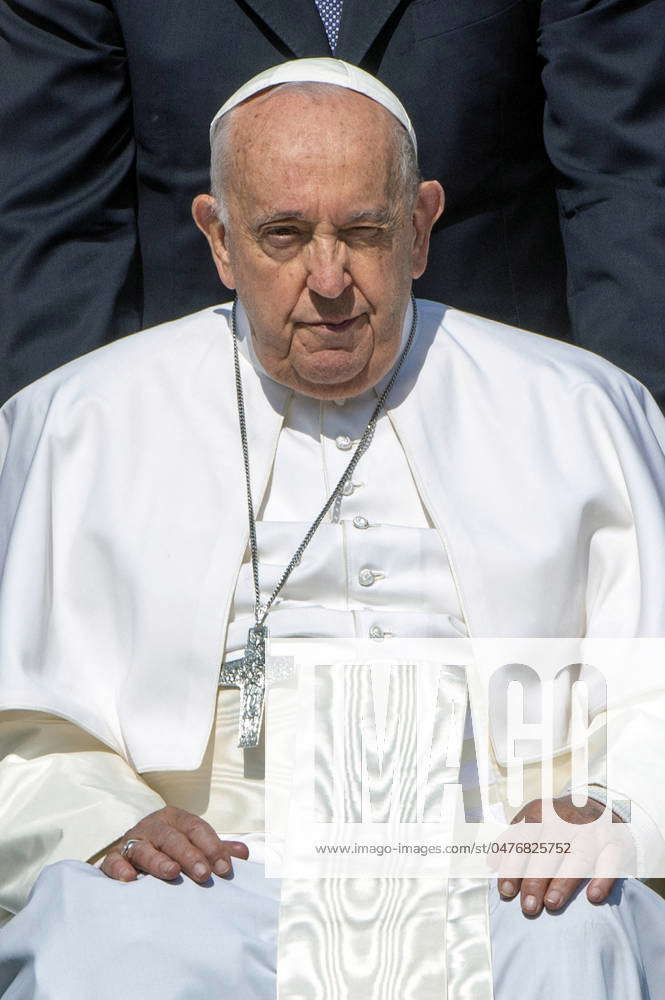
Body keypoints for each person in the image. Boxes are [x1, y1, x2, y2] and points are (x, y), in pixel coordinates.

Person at [1, 58, 665, 1000]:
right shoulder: (82, 420)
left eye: (363, 231)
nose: (328, 279)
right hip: (209, 878)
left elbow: (656, 689)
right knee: (108, 948)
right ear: (219, 239)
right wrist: (104, 821)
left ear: (422, 228)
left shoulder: (579, 407)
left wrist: (608, 803)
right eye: (281, 235)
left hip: (501, 863)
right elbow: (21, 735)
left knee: (579, 940)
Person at [2, 0, 665, 406]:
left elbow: (624, 179)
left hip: (490, 411)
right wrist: (77, 455)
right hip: (203, 417)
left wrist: (631, 429)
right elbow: (56, 215)